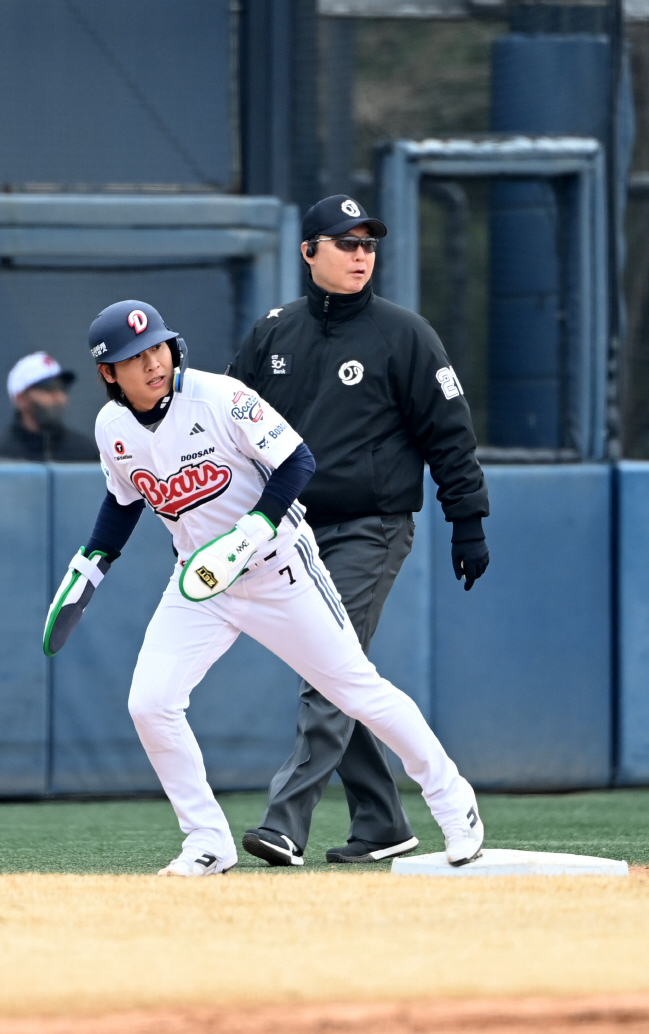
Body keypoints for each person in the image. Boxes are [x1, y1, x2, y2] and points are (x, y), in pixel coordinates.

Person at [43, 299, 485, 876]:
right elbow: (124, 497)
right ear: (109, 373)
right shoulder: (112, 427)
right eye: (134, 356)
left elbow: (298, 461)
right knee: (150, 704)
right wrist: (95, 560)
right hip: (201, 581)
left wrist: (255, 526)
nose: (152, 362)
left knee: (355, 690)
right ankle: (207, 839)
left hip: (279, 568)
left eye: (157, 346)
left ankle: (454, 802)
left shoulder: (219, 396)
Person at [228, 194, 490, 867]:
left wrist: (468, 521)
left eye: (368, 242)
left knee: (328, 672)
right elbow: (228, 433)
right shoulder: (273, 333)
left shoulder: (403, 333)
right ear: (309, 251)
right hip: (290, 531)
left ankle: (285, 821)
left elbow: (450, 435)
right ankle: (381, 822)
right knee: (340, 673)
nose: (360, 253)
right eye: (344, 242)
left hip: (370, 528)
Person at [1, 351, 98, 461]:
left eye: (62, 388)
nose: (59, 398)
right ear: (21, 398)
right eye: (48, 389)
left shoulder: (83, 450)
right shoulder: (4, 451)